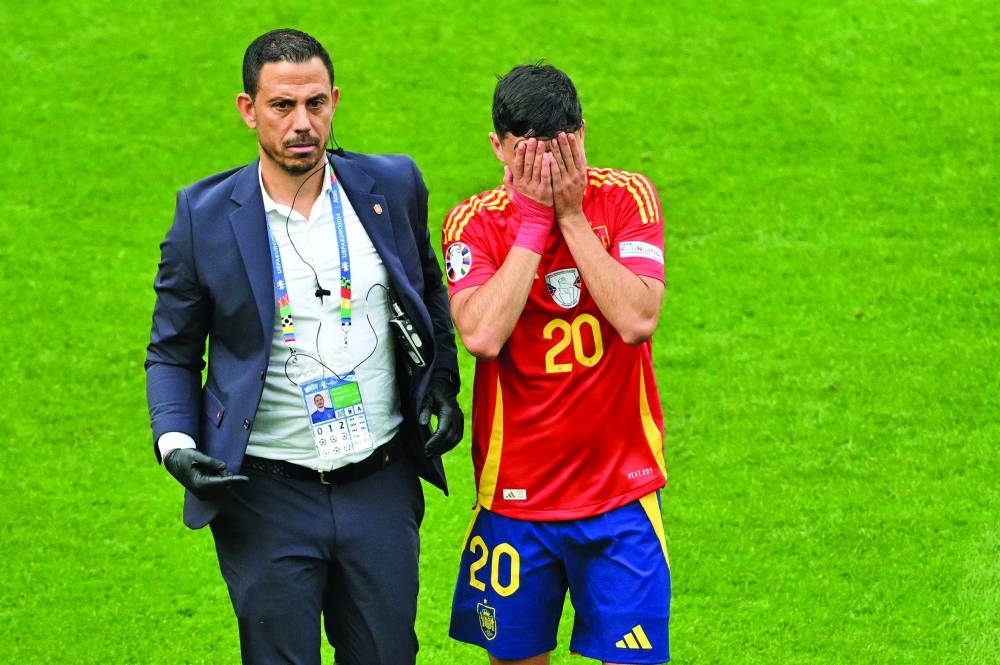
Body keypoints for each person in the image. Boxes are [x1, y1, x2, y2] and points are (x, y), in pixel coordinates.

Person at [145, 28, 463, 665]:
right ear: (248, 109)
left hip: (379, 481)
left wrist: (443, 384)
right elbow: (172, 351)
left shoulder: (392, 186)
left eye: (315, 104)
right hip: (264, 492)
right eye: (282, 106)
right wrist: (176, 446)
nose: (302, 123)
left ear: (335, 101)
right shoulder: (203, 216)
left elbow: (427, 291)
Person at [441, 63, 670, 665]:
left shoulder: (626, 198)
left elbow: (636, 319)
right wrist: (535, 220)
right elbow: (483, 334)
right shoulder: (474, 223)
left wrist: (570, 218)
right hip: (517, 503)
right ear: (498, 147)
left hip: (621, 499)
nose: (548, 172)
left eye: (562, 153)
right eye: (530, 157)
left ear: (583, 134)